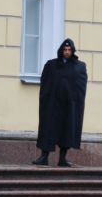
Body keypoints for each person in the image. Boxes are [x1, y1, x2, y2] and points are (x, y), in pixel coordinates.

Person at [33, 38, 87, 167]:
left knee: (67, 130)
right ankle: (44, 157)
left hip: (69, 106)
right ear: (61, 50)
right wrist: (46, 99)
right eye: (65, 49)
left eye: (69, 50)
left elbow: (81, 86)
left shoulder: (79, 66)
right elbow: (45, 83)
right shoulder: (51, 65)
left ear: (72, 51)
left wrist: (76, 102)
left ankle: (62, 158)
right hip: (53, 104)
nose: (67, 52)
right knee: (48, 128)